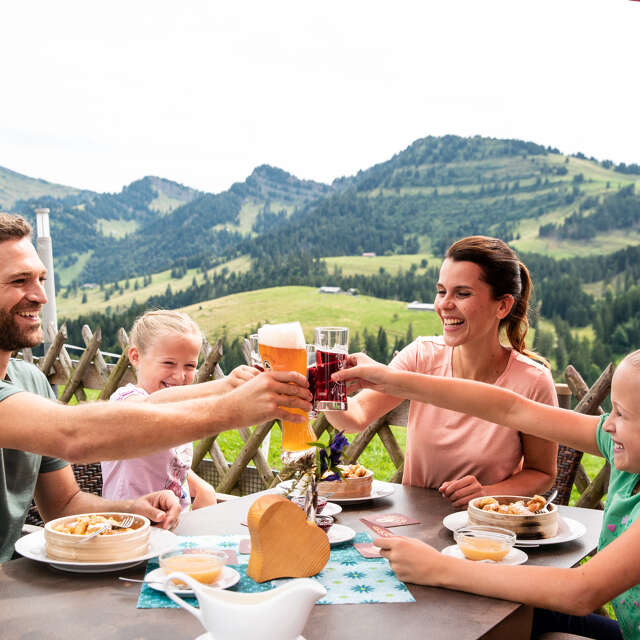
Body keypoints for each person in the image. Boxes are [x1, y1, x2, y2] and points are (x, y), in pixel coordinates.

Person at [0, 212, 312, 562]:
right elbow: (72, 435)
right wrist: (232, 406)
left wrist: (129, 509)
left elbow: (64, 505)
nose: (40, 296)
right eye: (19, 281)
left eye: (41, 278)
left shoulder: (32, 381)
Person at [333, 352, 640, 640]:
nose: (608, 423)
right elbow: (511, 409)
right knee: (511, 614)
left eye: (621, 414)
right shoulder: (624, 452)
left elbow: (581, 592)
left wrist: (438, 568)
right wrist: (392, 380)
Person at [325, 236, 558, 506]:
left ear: (503, 305)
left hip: (486, 533)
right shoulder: (421, 355)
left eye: (462, 293)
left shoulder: (533, 381)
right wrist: (326, 388)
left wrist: (487, 493)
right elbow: (355, 417)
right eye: (441, 291)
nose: (444, 304)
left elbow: (542, 473)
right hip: (413, 525)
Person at [102, 310, 224, 511]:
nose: (179, 376)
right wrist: (220, 388)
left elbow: (169, 461)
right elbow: (146, 412)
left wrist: (199, 486)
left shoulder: (177, 406)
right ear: (136, 357)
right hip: (129, 525)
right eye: (168, 363)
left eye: (190, 366)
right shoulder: (126, 400)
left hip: (174, 524)